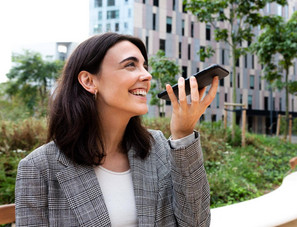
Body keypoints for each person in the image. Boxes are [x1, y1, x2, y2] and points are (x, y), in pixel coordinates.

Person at [15, 32, 219, 227]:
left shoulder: (157, 148)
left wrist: (183, 135)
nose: (147, 75)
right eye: (130, 65)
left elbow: (196, 223)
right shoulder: (39, 168)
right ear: (89, 81)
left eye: (144, 66)